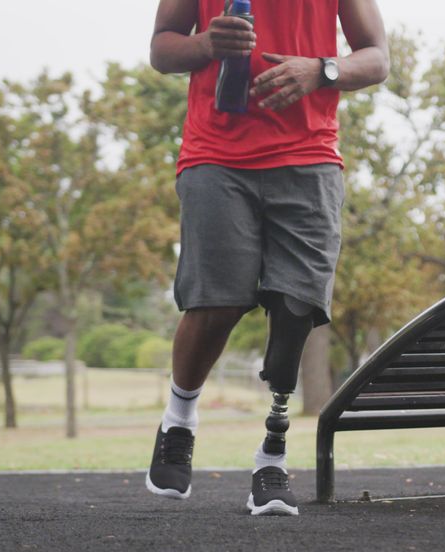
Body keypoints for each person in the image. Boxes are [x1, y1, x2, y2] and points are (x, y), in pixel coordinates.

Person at [145, 0, 388, 516]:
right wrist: (205, 45)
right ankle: (179, 420)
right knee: (217, 302)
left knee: (297, 305)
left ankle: (271, 457)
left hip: (310, 158)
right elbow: (162, 49)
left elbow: (377, 57)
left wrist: (321, 70)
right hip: (216, 157)